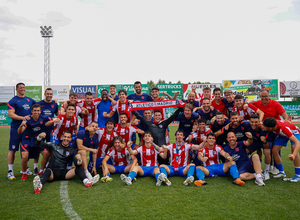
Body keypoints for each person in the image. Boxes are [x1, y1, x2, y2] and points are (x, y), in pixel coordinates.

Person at [33, 131, 100, 194]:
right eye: (65, 136)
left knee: (79, 169)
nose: (66, 139)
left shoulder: (72, 150)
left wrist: (79, 160)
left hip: (63, 173)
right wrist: (39, 137)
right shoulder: (54, 145)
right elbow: (38, 144)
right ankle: (39, 186)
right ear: (62, 137)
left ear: (70, 139)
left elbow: (77, 164)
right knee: (47, 171)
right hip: (52, 173)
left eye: (68, 137)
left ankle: (87, 182)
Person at [7, 82, 36, 180]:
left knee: (26, 149)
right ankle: (10, 171)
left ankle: (25, 168)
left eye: (23, 87)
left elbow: (40, 106)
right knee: (13, 149)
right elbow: (11, 114)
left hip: (27, 129)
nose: (22, 89)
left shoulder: (29, 100)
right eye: (20, 88)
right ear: (17, 89)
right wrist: (22, 118)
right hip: (16, 128)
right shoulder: (13, 101)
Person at [17, 104, 50, 180]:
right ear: (32, 111)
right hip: (27, 139)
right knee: (25, 157)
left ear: (40, 111)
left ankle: (41, 171)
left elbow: (51, 120)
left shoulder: (43, 118)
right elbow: (19, 132)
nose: (36, 112)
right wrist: (21, 125)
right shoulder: (27, 119)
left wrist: (55, 120)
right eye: (35, 110)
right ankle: (24, 173)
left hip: (38, 140)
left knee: (46, 154)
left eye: (38, 110)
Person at [263, 117, 300, 182]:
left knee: (294, 150)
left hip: (295, 133)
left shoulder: (284, 129)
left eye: (265, 126)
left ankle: (298, 175)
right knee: (274, 150)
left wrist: (293, 155)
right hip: (283, 135)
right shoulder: (273, 125)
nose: (264, 127)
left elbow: (297, 142)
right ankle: (281, 172)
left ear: (270, 128)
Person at [36, 88, 59, 175]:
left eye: (51, 94)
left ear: (52, 95)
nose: (49, 95)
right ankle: (36, 167)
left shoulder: (54, 104)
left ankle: (48, 166)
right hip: (41, 129)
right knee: (39, 147)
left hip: (51, 130)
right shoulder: (39, 104)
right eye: (47, 94)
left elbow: (57, 114)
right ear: (45, 94)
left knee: (50, 148)